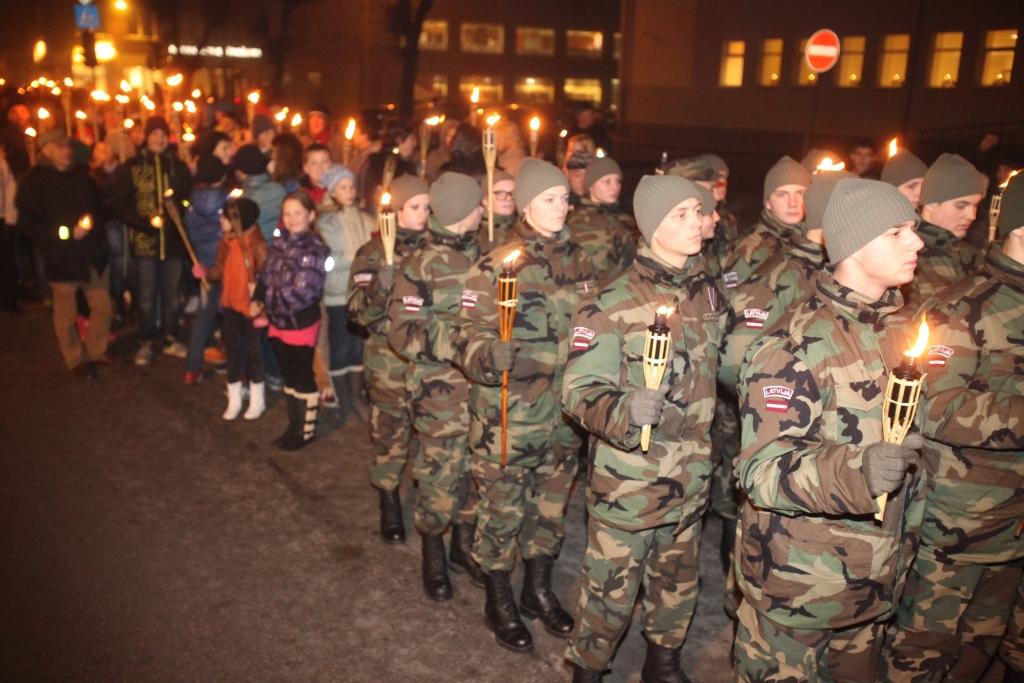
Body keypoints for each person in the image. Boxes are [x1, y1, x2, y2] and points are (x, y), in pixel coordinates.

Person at [733, 179, 926, 682]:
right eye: (898, 232)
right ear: (856, 245)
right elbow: (760, 470)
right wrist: (859, 472)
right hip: (800, 594)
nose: (918, 242)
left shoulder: (898, 332)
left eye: (915, 229)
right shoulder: (792, 345)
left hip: (876, 582)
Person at [563, 174, 723, 682]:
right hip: (629, 483)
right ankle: (589, 668)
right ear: (652, 225)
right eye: (681, 215)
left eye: (698, 212)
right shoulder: (611, 302)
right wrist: (625, 410)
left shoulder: (709, 293)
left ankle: (664, 660)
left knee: (676, 581)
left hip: (691, 474)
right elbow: (579, 392)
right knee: (610, 588)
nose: (697, 222)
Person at [884, 172, 1024, 682]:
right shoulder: (963, 307)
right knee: (923, 649)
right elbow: (937, 407)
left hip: (1015, 521)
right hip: (958, 522)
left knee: (982, 647)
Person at [456, 159, 597, 654]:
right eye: (549, 199)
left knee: (551, 509)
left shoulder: (581, 262)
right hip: (509, 415)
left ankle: (537, 589)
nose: (561, 207)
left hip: (563, 416)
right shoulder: (498, 264)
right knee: (502, 510)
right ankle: (499, 599)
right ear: (525, 204)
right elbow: (464, 335)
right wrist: (488, 355)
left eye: (564, 198)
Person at [386, 172, 486, 600]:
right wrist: (456, 343)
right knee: (439, 477)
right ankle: (433, 552)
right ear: (464, 211)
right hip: (439, 395)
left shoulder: (484, 256)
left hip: (481, 394)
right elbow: (401, 331)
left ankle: (463, 548)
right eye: (478, 203)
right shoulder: (421, 264)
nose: (484, 209)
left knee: (474, 477)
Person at [348, 175, 430, 543]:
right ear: (395, 212)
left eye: (428, 206)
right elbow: (357, 312)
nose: (424, 214)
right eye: (416, 207)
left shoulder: (433, 248)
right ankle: (389, 497)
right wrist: (382, 284)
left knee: (431, 435)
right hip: (389, 361)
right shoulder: (371, 253)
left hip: (428, 360)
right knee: (391, 433)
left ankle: (433, 506)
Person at [15, 129, 108, 376]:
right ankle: (74, 358)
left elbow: (100, 208)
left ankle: (96, 351)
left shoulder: (83, 178)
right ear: (46, 150)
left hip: (90, 255)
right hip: (62, 256)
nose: (65, 151)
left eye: (67, 146)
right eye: (58, 146)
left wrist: (95, 233)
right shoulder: (34, 182)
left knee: (102, 305)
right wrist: (65, 232)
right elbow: (29, 224)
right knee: (66, 313)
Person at [111, 116, 191, 366]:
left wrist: (180, 210)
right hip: (145, 241)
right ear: (146, 136)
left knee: (171, 293)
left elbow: (187, 196)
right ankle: (145, 340)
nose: (159, 138)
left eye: (163, 134)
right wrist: (143, 222)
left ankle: (169, 337)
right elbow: (121, 202)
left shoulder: (177, 166)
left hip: (174, 241)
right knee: (146, 294)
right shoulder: (132, 166)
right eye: (154, 134)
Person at [252, 192, 330, 449]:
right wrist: (258, 297)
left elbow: (303, 292)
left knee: (301, 374)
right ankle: (293, 425)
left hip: (299, 321)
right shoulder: (280, 242)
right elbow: (266, 273)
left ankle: (305, 431)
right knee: (288, 374)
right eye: (288, 213)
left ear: (311, 215)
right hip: (279, 320)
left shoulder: (315, 249)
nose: (293, 218)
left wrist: (269, 302)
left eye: (298, 212)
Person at [197, 196, 268, 421]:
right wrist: (205, 273)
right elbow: (220, 270)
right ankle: (234, 399)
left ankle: (258, 400)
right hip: (229, 305)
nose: (221, 221)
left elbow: (266, 275)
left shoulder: (257, 244)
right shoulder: (225, 243)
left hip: (250, 307)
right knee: (233, 351)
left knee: (253, 353)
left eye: (225, 217)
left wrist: (260, 300)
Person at [316, 164, 374, 423]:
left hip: (362, 293)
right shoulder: (325, 223)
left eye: (351, 186)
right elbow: (325, 261)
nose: (349, 191)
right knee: (339, 345)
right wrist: (353, 258)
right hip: (338, 293)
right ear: (332, 191)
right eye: (343, 187)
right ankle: (343, 399)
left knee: (357, 345)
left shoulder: (365, 218)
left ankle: (356, 394)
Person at [903, 153, 988, 310]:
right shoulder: (907, 253)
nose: (972, 216)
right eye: (961, 206)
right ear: (931, 203)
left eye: (976, 206)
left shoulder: (975, 255)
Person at [723, 155, 810, 291]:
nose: (793, 203)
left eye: (800, 194)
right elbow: (734, 303)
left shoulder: (814, 242)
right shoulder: (748, 249)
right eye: (782, 194)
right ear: (768, 202)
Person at [183, 155, 229, 385]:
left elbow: (191, 232)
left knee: (206, 311)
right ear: (221, 175)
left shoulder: (192, 202)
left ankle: (192, 367)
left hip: (206, 263)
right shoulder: (227, 200)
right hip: (227, 262)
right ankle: (235, 362)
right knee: (231, 311)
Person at [567, 156, 637, 286]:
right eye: (607, 181)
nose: (615, 187)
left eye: (618, 181)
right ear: (591, 186)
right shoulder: (580, 222)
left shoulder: (622, 218)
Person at [234, 144, 285, 243]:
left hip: (259, 251)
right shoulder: (279, 188)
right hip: (280, 247)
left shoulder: (245, 200)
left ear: (241, 172)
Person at [0, 147, 18, 312]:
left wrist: (9, 219)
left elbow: (10, 192)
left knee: (6, 261)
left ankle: (9, 299)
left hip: (2, 218)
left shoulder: (2, 164)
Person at [301, 143, 332, 209]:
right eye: (314, 163)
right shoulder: (302, 197)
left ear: (330, 164)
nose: (320, 167)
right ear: (306, 168)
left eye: (324, 162)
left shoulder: (340, 190)